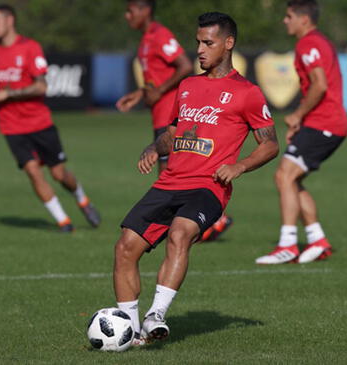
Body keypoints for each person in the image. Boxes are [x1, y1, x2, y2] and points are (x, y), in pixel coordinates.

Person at [114, 12, 279, 345]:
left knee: (180, 232)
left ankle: (155, 315)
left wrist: (240, 166)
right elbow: (172, 133)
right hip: (169, 182)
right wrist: (153, 146)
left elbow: (271, 144)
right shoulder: (187, 86)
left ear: (228, 43)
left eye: (208, 43)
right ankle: (130, 331)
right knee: (125, 248)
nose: (200, 50)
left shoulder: (247, 93)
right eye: (198, 42)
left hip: (208, 187)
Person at [116, 0, 233, 241]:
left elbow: (183, 65)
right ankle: (194, 225)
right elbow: (155, 79)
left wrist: (159, 91)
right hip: (159, 114)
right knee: (167, 174)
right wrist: (140, 94)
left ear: (145, 10)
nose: (127, 16)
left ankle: (208, 221)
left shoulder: (160, 35)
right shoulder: (145, 40)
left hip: (174, 114)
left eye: (131, 10)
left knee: (170, 175)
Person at [0, 4, 100, 232]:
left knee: (58, 174)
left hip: (39, 122)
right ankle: (63, 222)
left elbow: (41, 86)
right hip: (11, 125)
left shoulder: (30, 47)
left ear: (10, 21)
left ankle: (82, 199)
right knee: (32, 171)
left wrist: (8, 93)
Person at [255, 0, 347, 264]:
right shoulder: (319, 40)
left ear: (303, 19)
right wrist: (301, 123)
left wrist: (297, 114)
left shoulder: (308, 43)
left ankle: (287, 245)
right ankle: (317, 240)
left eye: (288, 16)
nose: (285, 21)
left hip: (325, 123)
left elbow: (319, 85)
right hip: (323, 123)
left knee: (284, 175)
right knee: (292, 179)